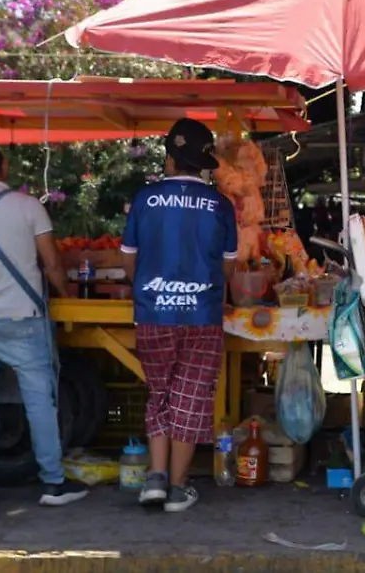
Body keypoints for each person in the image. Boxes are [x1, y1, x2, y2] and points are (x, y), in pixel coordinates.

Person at [0, 139, 88, 507]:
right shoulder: (28, 207)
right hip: (23, 320)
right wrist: (68, 295)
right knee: (39, 403)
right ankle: (53, 483)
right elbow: (53, 265)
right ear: (5, 166)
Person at [121, 117, 238, 513]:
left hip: (153, 312)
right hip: (202, 314)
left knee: (160, 393)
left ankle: (154, 479)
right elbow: (226, 269)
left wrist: (152, 289)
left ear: (170, 159)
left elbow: (129, 262)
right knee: (189, 396)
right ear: (203, 162)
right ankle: (177, 486)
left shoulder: (144, 200)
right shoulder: (221, 206)